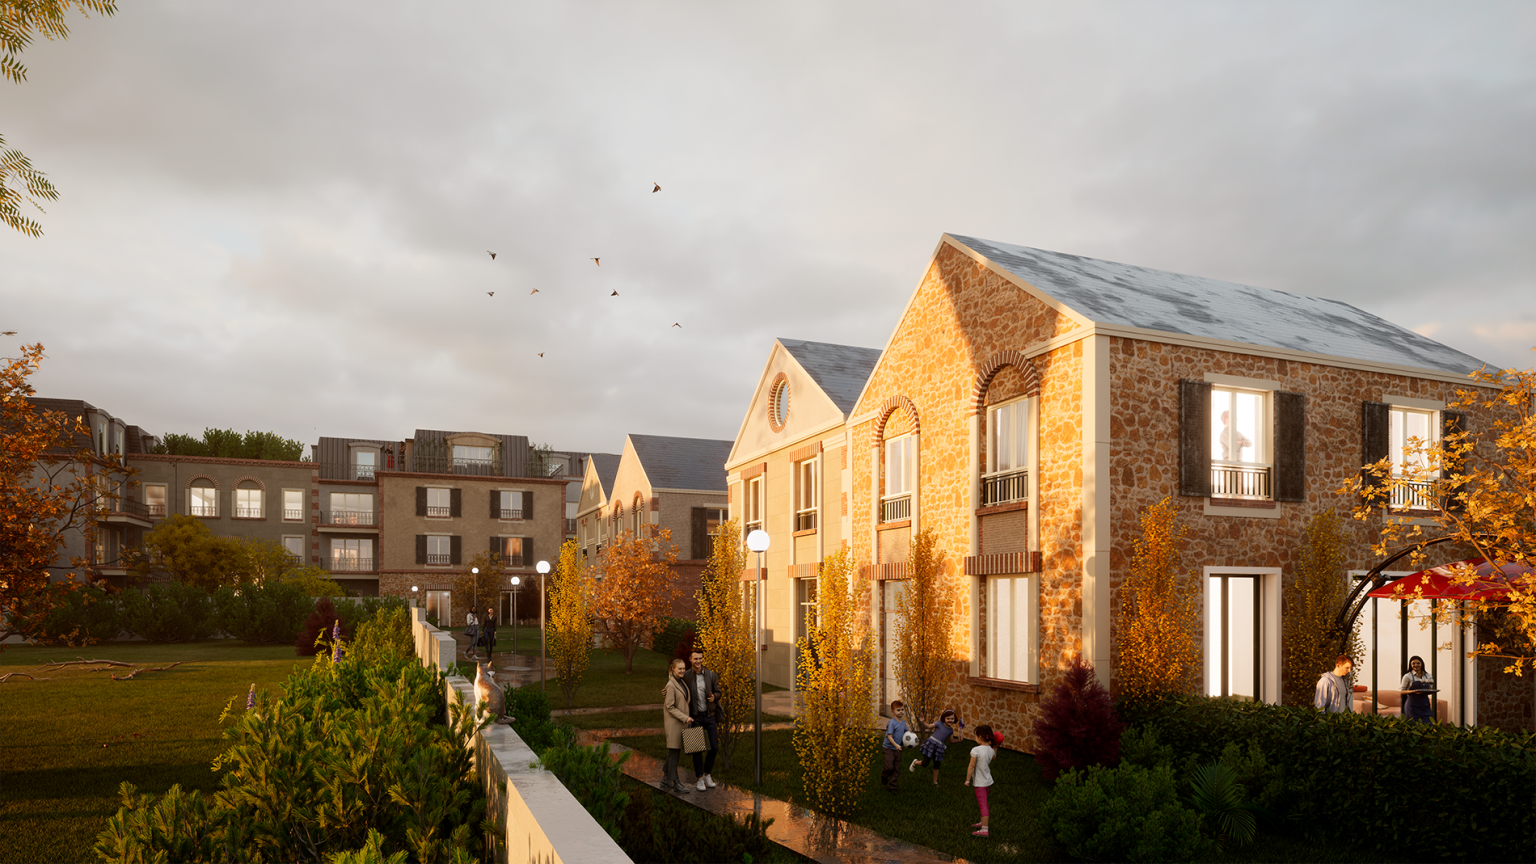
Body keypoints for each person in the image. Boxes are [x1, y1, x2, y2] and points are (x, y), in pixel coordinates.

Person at [681, 649, 722, 791]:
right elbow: (677, 687)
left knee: (714, 747)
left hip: (709, 715)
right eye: (696, 659)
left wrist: (714, 697)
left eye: (700, 658)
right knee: (697, 749)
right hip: (695, 716)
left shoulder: (711, 675)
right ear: (690, 659)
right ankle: (699, 779)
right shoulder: (686, 676)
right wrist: (666, 692)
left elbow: (718, 692)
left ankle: (707, 774)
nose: (698, 661)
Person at [661, 657, 694, 794]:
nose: (682, 670)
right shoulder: (671, 685)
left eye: (683, 668)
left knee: (673, 753)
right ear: (672, 669)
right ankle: (675, 782)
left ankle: (665, 778)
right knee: (674, 753)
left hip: (681, 723)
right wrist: (685, 718)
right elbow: (670, 706)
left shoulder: (681, 683)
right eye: (679, 668)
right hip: (675, 724)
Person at [910, 709, 964, 784]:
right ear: (944, 718)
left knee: (937, 765)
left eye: (952, 718)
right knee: (925, 763)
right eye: (948, 718)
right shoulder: (939, 723)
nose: (950, 720)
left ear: (955, 719)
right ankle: (915, 762)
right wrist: (922, 722)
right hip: (931, 745)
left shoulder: (950, 730)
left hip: (939, 748)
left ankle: (935, 782)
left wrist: (958, 740)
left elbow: (951, 740)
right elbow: (928, 726)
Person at [965, 725, 999, 838]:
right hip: (988, 781)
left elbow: (971, 766)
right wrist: (996, 746)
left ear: (980, 737)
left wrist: (967, 780)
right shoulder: (990, 750)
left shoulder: (976, 750)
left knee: (983, 805)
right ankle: (983, 822)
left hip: (980, 783)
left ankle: (984, 830)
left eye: (975, 735)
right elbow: (993, 757)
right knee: (985, 803)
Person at [880, 700, 909, 793]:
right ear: (893, 712)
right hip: (888, 748)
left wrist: (915, 741)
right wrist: (896, 745)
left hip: (898, 749)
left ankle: (893, 786)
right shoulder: (892, 723)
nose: (901, 712)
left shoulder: (903, 723)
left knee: (896, 769)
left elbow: (908, 734)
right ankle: (884, 774)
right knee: (889, 767)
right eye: (898, 710)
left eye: (902, 710)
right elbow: (889, 736)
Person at [1400, 655, 1437, 723]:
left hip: (1425, 705)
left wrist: (1432, 691)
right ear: (1410, 665)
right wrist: (1413, 691)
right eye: (1413, 663)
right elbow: (1402, 691)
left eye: (1418, 663)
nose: (1416, 665)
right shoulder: (1407, 676)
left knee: (1429, 724)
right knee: (1414, 727)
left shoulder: (1429, 676)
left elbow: (1429, 688)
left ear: (1422, 664)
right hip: (1412, 706)